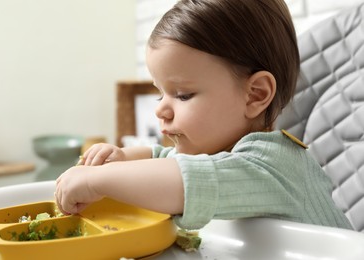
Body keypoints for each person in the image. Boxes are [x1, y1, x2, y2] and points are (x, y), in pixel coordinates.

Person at [55, 0, 353, 230]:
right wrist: (121, 158)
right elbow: (164, 160)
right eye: (161, 93)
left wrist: (100, 181)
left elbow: (189, 181)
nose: (160, 108)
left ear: (256, 95)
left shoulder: (274, 163)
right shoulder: (216, 153)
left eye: (182, 95)